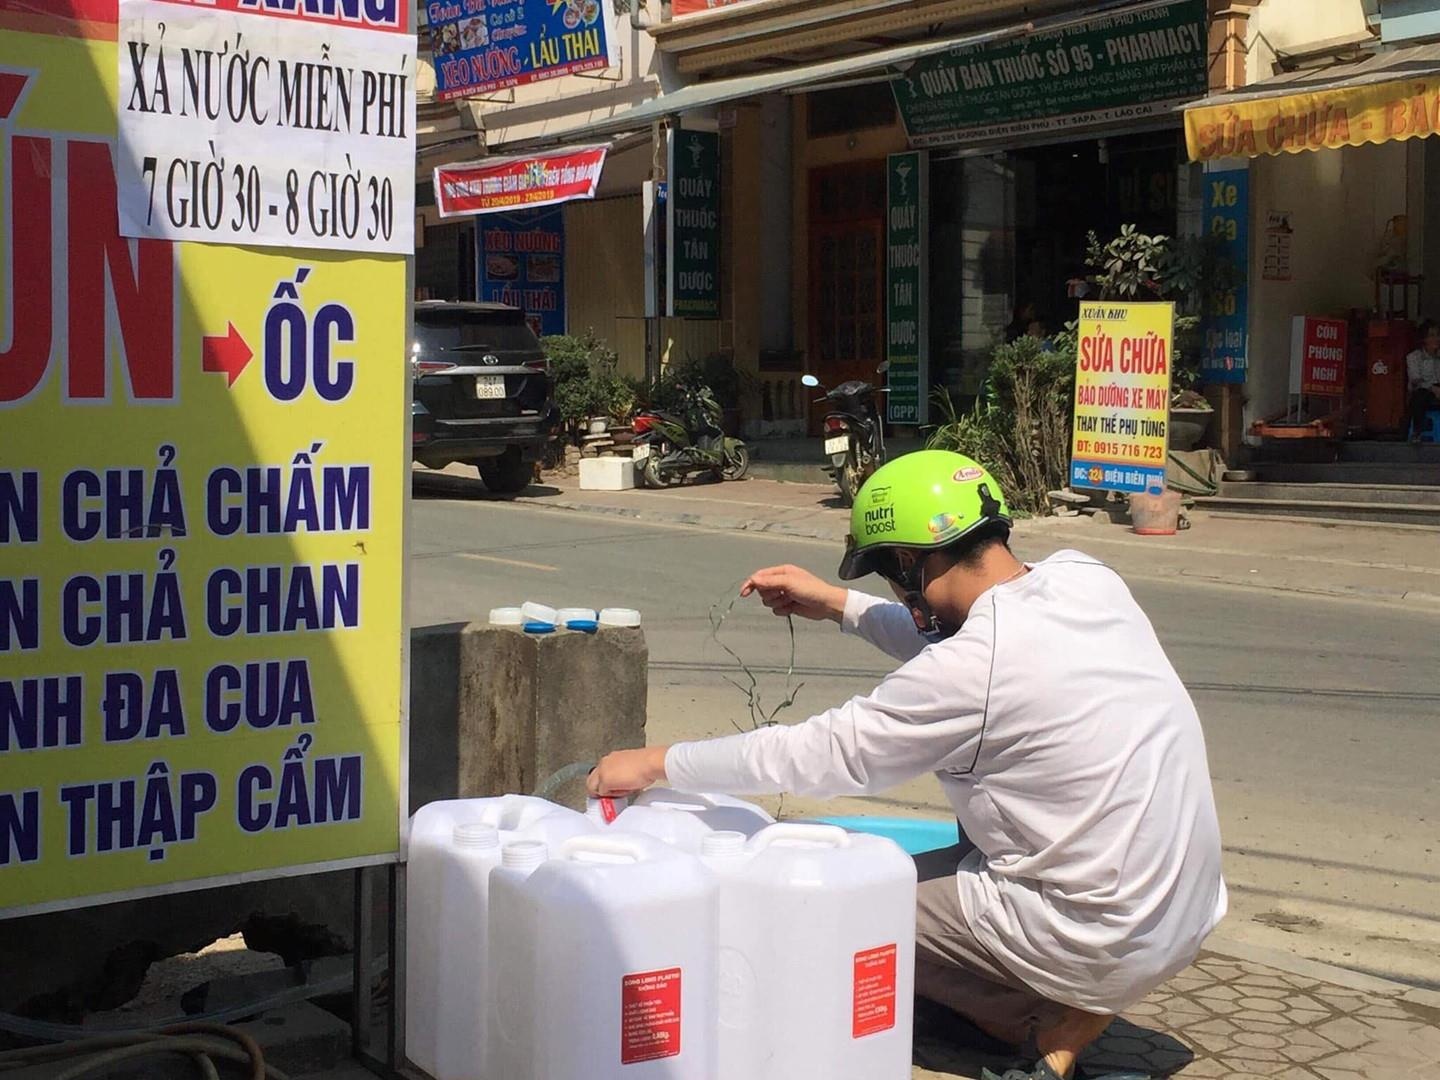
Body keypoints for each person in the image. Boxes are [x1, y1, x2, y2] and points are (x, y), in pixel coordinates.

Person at [589, 451, 1227, 1080]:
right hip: (1183, 910)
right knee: (974, 814)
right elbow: (959, 643)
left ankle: (1046, 1021)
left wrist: (655, 762)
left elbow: (816, 754)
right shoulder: (1085, 577)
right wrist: (837, 604)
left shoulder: (975, 667)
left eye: (888, 573)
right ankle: (1059, 1007)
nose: (893, 592)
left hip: (1100, 931)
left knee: (831, 908)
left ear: (907, 561)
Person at [1406, 319, 1440, 441]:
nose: (1436, 339)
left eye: (1438, 335)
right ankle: (1417, 431)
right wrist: (1432, 388)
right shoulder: (1414, 357)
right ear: (1424, 339)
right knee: (1419, 396)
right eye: (1432, 335)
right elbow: (1415, 380)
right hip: (1422, 389)